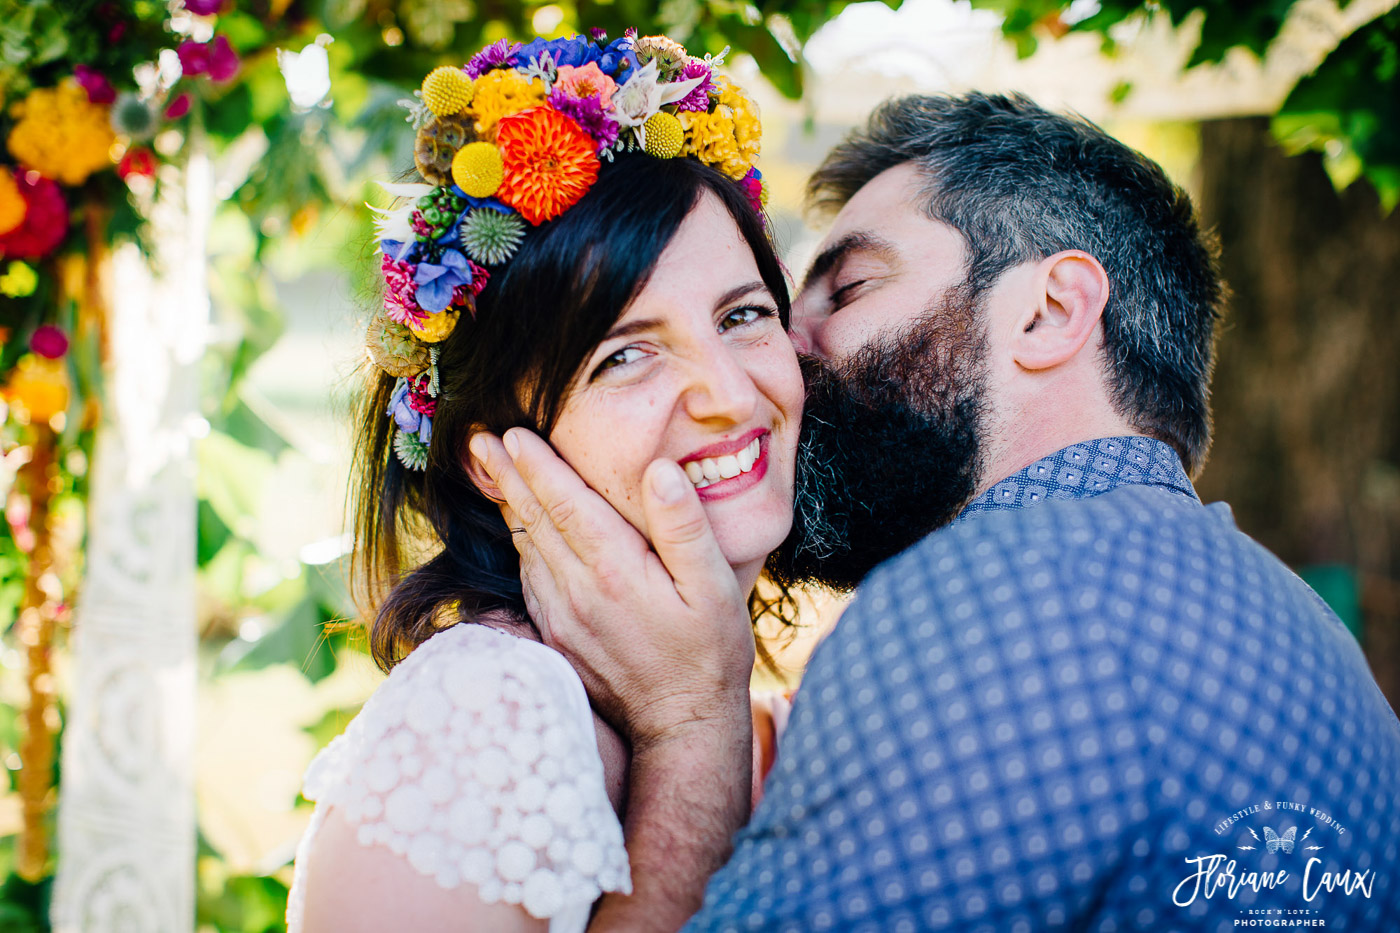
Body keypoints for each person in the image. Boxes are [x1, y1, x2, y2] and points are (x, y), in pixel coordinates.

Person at [473, 93, 1400, 930]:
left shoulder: (999, 602)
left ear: (1049, 311)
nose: (786, 356)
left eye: (850, 288)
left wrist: (690, 726)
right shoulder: (1299, 630)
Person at [286, 30, 804, 932]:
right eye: (626, 355)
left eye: (744, 313)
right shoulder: (485, 717)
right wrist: (689, 732)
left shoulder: (812, 731)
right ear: (492, 458)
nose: (729, 394)